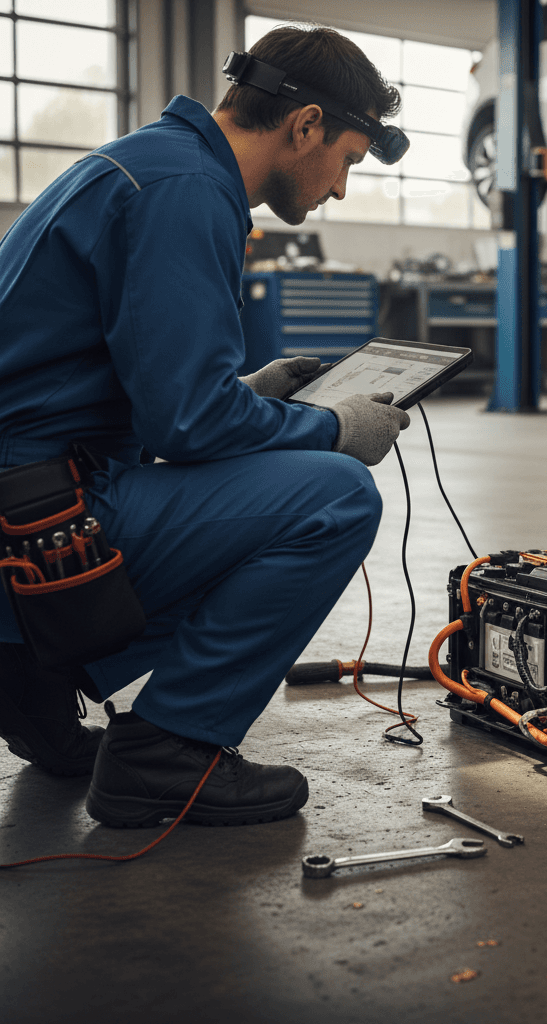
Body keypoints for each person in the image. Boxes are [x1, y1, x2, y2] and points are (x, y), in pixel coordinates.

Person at [0, 24, 410, 827]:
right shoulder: (188, 190)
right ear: (305, 126)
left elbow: (128, 388)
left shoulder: (147, 160)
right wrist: (331, 428)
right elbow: (188, 425)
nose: (340, 190)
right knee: (334, 496)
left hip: (30, 489)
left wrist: (249, 390)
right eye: (350, 161)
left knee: (259, 478)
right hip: (36, 519)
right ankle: (167, 751)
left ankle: (31, 692)